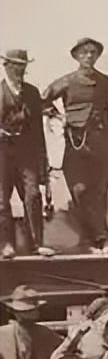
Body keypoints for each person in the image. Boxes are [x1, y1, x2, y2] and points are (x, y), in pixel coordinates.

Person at [43, 37, 108, 254]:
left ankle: (101, 239)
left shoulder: (107, 83)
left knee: (99, 192)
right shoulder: (66, 82)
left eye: (92, 52)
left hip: (101, 144)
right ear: (77, 56)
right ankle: (93, 237)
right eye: (84, 52)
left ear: (97, 56)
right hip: (75, 144)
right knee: (79, 190)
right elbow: (43, 100)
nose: (89, 56)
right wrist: (57, 116)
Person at [0, 48, 52, 257]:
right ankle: (6, 244)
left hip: (26, 153)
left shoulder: (32, 93)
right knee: (1, 199)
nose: (19, 70)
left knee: (33, 194)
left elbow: (38, 129)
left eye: (22, 66)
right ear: (6, 66)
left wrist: (42, 161)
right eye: (15, 66)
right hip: (2, 153)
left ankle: (36, 244)